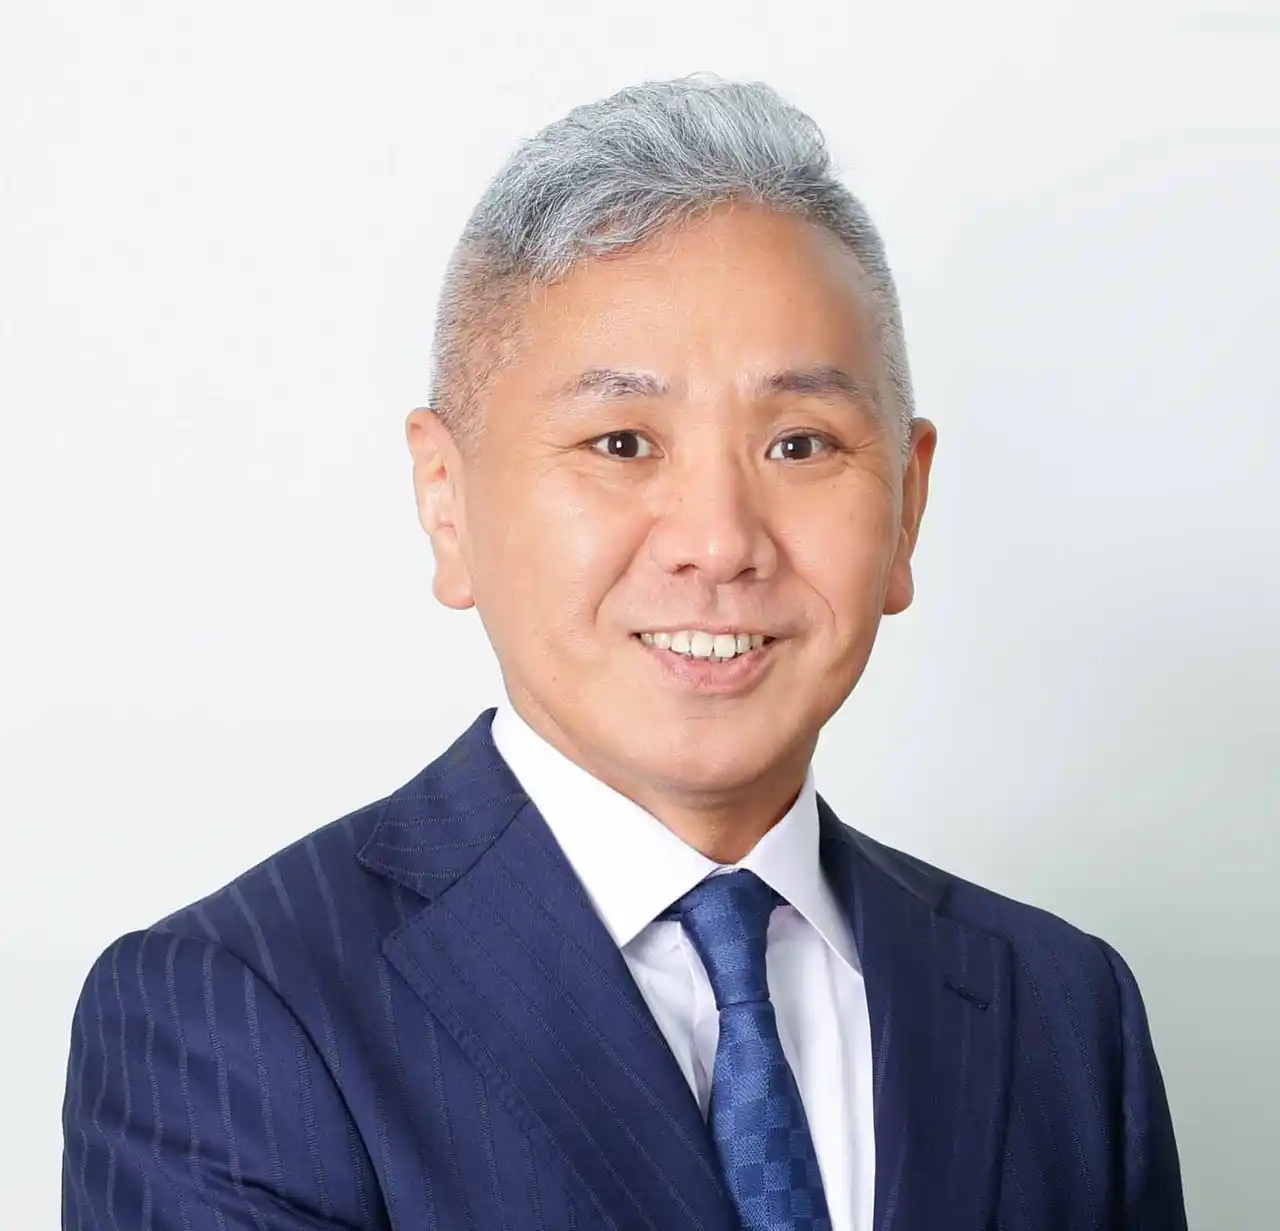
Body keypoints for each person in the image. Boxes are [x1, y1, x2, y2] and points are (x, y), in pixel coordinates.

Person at [62, 75, 1186, 1231]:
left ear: (906, 503)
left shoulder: (1060, 1010)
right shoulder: (234, 1013)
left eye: (799, 443)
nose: (718, 541)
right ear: (445, 498)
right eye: (620, 443)